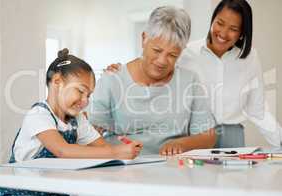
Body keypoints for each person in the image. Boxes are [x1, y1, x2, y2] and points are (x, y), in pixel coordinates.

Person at [106, 0, 282, 148]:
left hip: (231, 136)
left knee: (232, 185)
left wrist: (279, 140)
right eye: (219, 23)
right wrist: (122, 73)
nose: (223, 33)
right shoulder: (187, 52)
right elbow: (156, 64)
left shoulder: (250, 58)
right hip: (193, 135)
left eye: (233, 29)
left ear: (242, 33)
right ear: (212, 20)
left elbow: (257, 109)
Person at [0, 48, 142, 196]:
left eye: (89, 95)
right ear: (57, 82)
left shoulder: (78, 120)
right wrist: (116, 153)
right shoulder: (39, 114)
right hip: (20, 191)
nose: (85, 100)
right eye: (81, 91)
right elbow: (63, 150)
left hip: (56, 192)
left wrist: (123, 151)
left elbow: (104, 149)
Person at [89, 6, 216, 156]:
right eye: (157, 50)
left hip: (172, 168)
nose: (162, 61)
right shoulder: (112, 78)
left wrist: (181, 143)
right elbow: (91, 133)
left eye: (173, 55)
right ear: (144, 38)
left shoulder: (190, 80)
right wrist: (115, 152)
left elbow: (209, 136)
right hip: (123, 168)